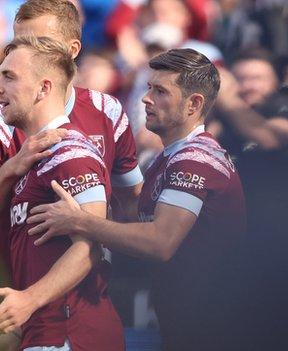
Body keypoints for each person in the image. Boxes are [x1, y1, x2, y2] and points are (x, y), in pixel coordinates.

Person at [25, 48, 247, 351]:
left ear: (194, 104)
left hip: (219, 331)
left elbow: (160, 242)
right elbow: (132, 229)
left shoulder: (197, 159)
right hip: (187, 328)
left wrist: (79, 220)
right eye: (148, 88)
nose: (146, 99)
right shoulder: (164, 159)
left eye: (160, 91)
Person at [0, 0, 143, 345]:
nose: (22, 51)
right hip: (9, 311)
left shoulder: (106, 113)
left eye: (38, 43)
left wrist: (88, 224)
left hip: (72, 318)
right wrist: (14, 166)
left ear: (71, 50)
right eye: (15, 43)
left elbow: (132, 206)